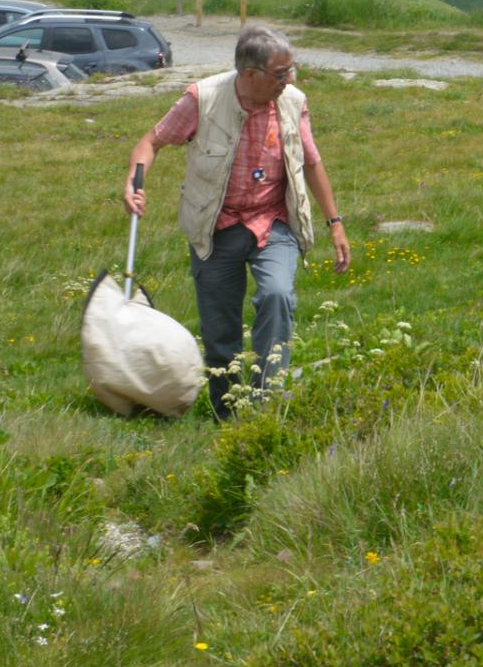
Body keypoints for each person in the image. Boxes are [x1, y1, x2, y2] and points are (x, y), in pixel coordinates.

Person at [122, 25, 350, 418]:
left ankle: (266, 403)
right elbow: (151, 142)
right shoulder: (203, 98)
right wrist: (133, 181)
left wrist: (335, 222)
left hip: (273, 222)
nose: (288, 80)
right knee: (220, 332)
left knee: (277, 295)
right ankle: (225, 413)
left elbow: (312, 162)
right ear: (250, 74)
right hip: (216, 226)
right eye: (280, 74)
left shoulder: (293, 102)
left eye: (291, 71)